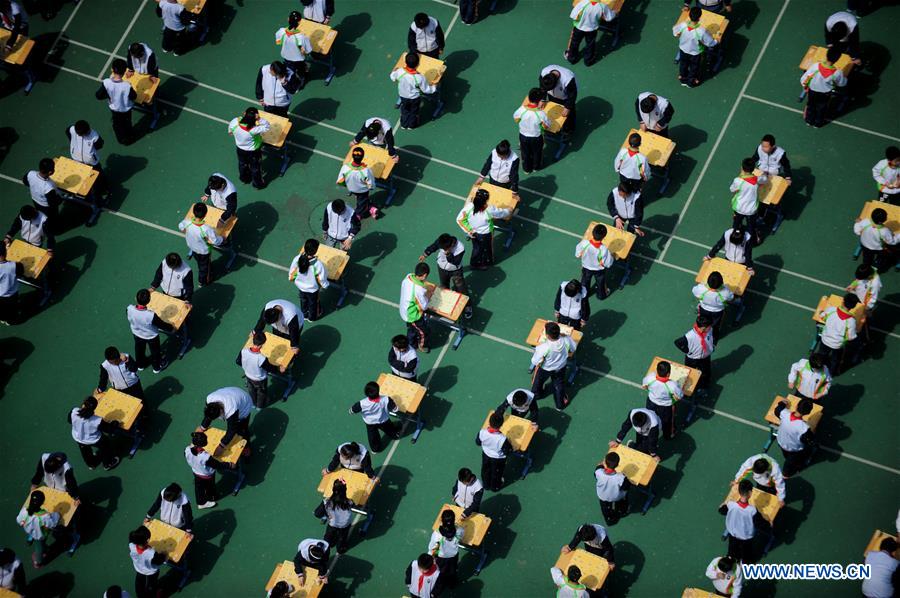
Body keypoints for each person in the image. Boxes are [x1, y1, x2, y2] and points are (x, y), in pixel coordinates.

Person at [419, 232, 472, 318]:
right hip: (442, 268)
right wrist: (425, 254)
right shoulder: (442, 241)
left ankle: (468, 307)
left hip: (456, 271)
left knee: (461, 289)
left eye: (444, 249)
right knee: (444, 287)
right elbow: (434, 246)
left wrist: (448, 254)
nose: (442, 249)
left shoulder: (460, 248)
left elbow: (455, 262)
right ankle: (445, 307)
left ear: (451, 246)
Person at [456, 188, 511, 271]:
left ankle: (475, 263)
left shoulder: (469, 206)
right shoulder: (489, 209)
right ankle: (486, 262)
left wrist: (469, 231)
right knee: (487, 248)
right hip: (486, 234)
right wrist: (509, 210)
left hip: (474, 233)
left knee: (476, 248)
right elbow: (502, 213)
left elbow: (459, 219)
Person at [530, 321, 576, 410]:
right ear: (559, 332)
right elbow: (573, 348)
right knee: (559, 385)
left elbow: (535, 361)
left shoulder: (543, 347)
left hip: (545, 369)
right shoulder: (567, 339)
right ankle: (560, 405)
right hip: (561, 367)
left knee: (538, 382)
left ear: (547, 335)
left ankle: (537, 395)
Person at [127, 288, 174, 373]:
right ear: (149, 301)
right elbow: (162, 325)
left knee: (139, 349)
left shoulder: (129, 309)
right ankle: (157, 367)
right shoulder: (150, 315)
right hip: (151, 336)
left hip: (136, 333)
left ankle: (140, 365)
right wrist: (171, 327)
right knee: (155, 352)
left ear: (135, 298)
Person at [718, 479, 765, 563]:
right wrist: (769, 522)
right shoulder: (752, 510)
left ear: (739, 491)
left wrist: (721, 506)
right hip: (746, 537)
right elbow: (760, 522)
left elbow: (721, 510)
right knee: (747, 553)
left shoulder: (730, 504)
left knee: (732, 550)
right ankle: (746, 563)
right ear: (750, 493)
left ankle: (731, 559)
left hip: (733, 534)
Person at [178, 203, 224, 287]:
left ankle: (202, 274)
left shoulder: (187, 222)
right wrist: (222, 238)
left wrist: (187, 232)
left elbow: (180, 226)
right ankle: (203, 281)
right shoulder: (206, 229)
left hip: (192, 247)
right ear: (205, 214)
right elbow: (215, 241)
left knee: (200, 262)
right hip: (204, 252)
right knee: (204, 268)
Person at [68, 396, 121, 471]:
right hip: (93, 439)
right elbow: (109, 429)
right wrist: (115, 423)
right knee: (106, 446)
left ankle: (92, 464)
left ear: (83, 405)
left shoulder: (74, 411)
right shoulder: (96, 420)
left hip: (78, 437)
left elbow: (69, 421)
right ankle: (108, 463)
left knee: (85, 451)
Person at [800, 46, 847, 128]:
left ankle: (809, 120)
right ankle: (818, 123)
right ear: (838, 59)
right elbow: (842, 83)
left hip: (812, 91)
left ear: (826, 55)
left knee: (810, 105)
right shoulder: (837, 73)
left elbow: (804, 78)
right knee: (821, 108)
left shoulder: (815, 66)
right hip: (824, 94)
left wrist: (805, 86)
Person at [199, 387, 253, 456]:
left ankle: (246, 447)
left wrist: (221, 446)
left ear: (221, 410)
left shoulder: (230, 409)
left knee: (242, 429)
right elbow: (209, 416)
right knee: (235, 430)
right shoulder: (209, 399)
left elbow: (231, 430)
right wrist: (202, 428)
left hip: (244, 405)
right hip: (233, 394)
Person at [390, 52, 438, 130]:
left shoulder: (400, 72)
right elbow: (426, 90)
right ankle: (412, 126)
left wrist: (394, 70)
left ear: (405, 62)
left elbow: (392, 77)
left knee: (404, 110)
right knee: (414, 112)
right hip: (414, 98)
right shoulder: (420, 77)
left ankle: (403, 125)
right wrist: (434, 87)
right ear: (418, 64)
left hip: (403, 96)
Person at [349, 381, 401, 453]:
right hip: (383, 420)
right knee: (390, 429)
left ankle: (375, 449)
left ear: (366, 393)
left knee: (372, 436)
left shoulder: (361, 403)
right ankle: (395, 435)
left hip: (370, 423)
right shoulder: (386, 399)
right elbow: (395, 409)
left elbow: (352, 411)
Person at [236, 332, 284, 409]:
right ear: (262, 344)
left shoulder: (243, 351)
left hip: (248, 375)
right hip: (259, 380)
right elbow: (271, 369)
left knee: (251, 389)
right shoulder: (261, 358)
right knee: (261, 393)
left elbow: (238, 361)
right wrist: (280, 368)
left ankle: (253, 402)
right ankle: (260, 405)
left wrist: (248, 367)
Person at [673, 6, 718, 88]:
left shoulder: (683, 25)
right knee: (694, 67)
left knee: (683, 64)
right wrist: (716, 41)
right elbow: (710, 43)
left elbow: (675, 31)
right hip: (695, 53)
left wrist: (678, 34)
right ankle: (691, 82)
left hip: (683, 50)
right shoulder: (701, 31)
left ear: (689, 15)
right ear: (699, 17)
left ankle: (683, 78)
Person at [95, 59, 137, 145]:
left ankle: (122, 140)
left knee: (117, 126)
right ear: (125, 71)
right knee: (127, 123)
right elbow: (134, 96)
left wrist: (110, 95)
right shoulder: (127, 85)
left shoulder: (106, 83)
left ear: (112, 70)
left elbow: (98, 96)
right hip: (126, 110)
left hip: (115, 110)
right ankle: (130, 136)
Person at [66, 119, 109, 203]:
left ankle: (104, 190)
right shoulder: (72, 130)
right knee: (81, 178)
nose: (88, 132)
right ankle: (85, 193)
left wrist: (90, 155)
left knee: (98, 177)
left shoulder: (95, 136)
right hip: (77, 161)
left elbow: (99, 145)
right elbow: (67, 132)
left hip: (92, 163)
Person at [816, 293, 859, 374]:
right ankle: (831, 373)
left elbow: (822, 317)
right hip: (837, 345)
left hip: (825, 340)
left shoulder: (831, 310)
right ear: (853, 307)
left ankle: (818, 368)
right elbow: (851, 337)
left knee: (821, 354)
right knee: (834, 360)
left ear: (842, 302)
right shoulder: (851, 321)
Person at [184, 431, 230, 509]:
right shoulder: (205, 457)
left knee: (198, 488)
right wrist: (230, 465)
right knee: (210, 487)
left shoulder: (187, 450)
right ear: (203, 443)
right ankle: (212, 497)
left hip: (196, 472)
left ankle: (201, 502)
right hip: (207, 475)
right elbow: (218, 465)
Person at [228, 107, 270, 189]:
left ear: (244, 113)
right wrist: (260, 119)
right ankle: (258, 184)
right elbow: (267, 127)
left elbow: (230, 132)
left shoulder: (235, 121)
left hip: (240, 149)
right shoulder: (254, 130)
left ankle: (245, 179)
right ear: (256, 117)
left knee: (242, 164)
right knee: (255, 168)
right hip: (253, 152)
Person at [16, 490, 60, 568]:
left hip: (31, 531)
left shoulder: (24, 511)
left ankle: (45, 548)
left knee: (41, 544)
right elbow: (53, 523)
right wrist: (57, 514)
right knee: (39, 548)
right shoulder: (44, 516)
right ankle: (38, 562)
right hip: (40, 535)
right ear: (42, 503)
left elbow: (18, 520)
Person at [774, 398, 816, 478]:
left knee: (786, 456)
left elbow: (777, 409)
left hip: (781, 441)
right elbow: (808, 440)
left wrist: (783, 402)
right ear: (808, 413)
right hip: (793, 449)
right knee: (790, 461)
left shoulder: (784, 413)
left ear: (796, 406)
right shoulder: (804, 428)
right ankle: (785, 474)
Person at [289, 239, 330, 321]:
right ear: (315, 251)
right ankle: (312, 318)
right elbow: (321, 279)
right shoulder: (318, 265)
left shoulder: (297, 259)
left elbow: (291, 274)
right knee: (313, 304)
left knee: (303, 301)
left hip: (301, 288)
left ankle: (304, 315)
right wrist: (326, 285)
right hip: (312, 290)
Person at [566, 0, 616, 66]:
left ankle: (572, 58)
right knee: (590, 44)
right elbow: (609, 18)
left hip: (579, 27)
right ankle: (588, 61)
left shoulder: (583, 3)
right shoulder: (602, 6)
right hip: (592, 29)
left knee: (574, 43)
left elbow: (573, 15)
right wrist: (614, 13)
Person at [642, 360, 683, 440]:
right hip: (665, 408)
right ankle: (667, 436)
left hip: (651, 403)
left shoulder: (650, 377)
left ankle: (649, 432)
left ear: (657, 371)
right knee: (666, 423)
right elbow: (679, 396)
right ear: (668, 374)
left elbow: (644, 386)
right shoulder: (672, 385)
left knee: (650, 418)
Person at [513, 88, 551, 174]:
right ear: (539, 101)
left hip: (523, 136)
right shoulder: (541, 114)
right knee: (537, 153)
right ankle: (536, 167)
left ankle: (526, 169)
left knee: (525, 153)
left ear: (528, 98)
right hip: (536, 138)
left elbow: (516, 118)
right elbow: (547, 125)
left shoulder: (522, 109)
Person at [337, 146, 380, 220]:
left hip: (351, 188)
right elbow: (371, 186)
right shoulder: (366, 171)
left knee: (362, 200)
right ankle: (359, 214)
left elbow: (339, 181)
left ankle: (371, 208)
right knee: (361, 203)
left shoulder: (345, 167)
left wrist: (347, 184)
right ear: (362, 157)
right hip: (362, 191)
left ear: (352, 156)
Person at [675, 315, 715, 392]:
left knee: (706, 371)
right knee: (690, 372)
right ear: (704, 327)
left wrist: (712, 346)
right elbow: (677, 342)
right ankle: (690, 388)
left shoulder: (709, 330)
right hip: (692, 358)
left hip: (705, 357)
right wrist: (688, 351)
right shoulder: (690, 336)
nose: (711, 327)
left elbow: (711, 338)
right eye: (709, 326)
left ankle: (705, 385)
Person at [399, 263, 433, 353]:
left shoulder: (409, 276)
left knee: (412, 329)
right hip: (413, 316)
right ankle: (422, 346)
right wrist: (429, 295)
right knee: (423, 332)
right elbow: (424, 306)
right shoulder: (419, 290)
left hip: (405, 310)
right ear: (424, 275)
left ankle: (411, 343)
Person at [314, 479, 354, 554]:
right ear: (345, 490)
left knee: (328, 536)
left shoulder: (327, 502)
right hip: (345, 524)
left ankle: (328, 546)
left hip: (333, 524)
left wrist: (326, 515)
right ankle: (340, 549)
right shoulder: (349, 502)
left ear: (333, 489)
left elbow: (317, 513)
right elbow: (352, 505)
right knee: (342, 537)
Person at [576, 223, 614, 300]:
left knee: (584, 282)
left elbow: (577, 254)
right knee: (601, 283)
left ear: (592, 233)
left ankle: (584, 295)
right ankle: (601, 295)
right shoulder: (604, 249)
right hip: (599, 270)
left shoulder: (584, 243)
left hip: (586, 268)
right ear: (604, 237)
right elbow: (608, 263)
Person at [693, 270, 734, 340]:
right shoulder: (725, 292)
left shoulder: (701, 288)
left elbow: (694, 290)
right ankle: (714, 337)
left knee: (702, 323)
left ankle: (700, 335)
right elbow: (731, 297)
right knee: (715, 325)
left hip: (704, 309)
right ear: (721, 283)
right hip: (717, 312)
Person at [476, 412, 511, 492]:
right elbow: (508, 451)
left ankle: (486, 485)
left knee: (485, 470)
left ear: (489, 422)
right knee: (496, 474)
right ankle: (495, 487)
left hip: (486, 455)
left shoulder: (482, 432)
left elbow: (478, 442)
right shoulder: (502, 439)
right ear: (501, 425)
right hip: (498, 459)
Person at [128, 525, 167, 598]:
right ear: (147, 540)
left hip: (139, 569)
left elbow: (130, 537)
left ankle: (140, 596)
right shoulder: (151, 553)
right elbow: (159, 561)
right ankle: (154, 594)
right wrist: (163, 554)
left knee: (139, 584)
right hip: (151, 572)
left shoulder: (132, 545)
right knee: (152, 584)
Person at [275, 12, 313, 84]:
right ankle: (301, 82)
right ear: (299, 22)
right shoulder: (302, 37)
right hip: (298, 60)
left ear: (288, 19)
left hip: (286, 57)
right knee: (301, 72)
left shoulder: (280, 32)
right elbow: (308, 51)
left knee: (290, 70)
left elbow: (279, 42)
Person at [429, 510, 463, 588]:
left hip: (441, 559)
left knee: (441, 572)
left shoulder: (437, 534)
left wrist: (431, 557)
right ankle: (452, 584)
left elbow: (432, 548)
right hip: (453, 557)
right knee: (452, 571)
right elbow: (461, 536)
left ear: (442, 520)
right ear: (453, 520)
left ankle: (441, 585)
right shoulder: (459, 530)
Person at [540, 65, 577, 136]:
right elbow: (542, 87)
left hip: (565, 97)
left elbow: (572, 95)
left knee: (569, 114)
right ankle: (555, 127)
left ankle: (569, 129)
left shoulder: (568, 79)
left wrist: (568, 107)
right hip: (552, 95)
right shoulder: (544, 72)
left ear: (557, 82)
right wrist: (543, 99)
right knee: (554, 110)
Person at [730, 158, 762, 239]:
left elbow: (732, 189)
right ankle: (749, 239)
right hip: (751, 210)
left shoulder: (738, 180)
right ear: (753, 169)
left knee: (736, 224)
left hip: (739, 208)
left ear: (742, 168)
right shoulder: (758, 179)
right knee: (750, 226)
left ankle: (735, 235)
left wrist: (741, 176)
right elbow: (764, 179)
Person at [22, 158, 62, 224]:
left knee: (42, 215)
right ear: (50, 172)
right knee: (52, 219)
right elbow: (52, 204)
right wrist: (60, 199)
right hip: (47, 207)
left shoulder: (31, 173)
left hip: (35, 201)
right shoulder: (48, 187)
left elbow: (25, 181)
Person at [594, 452, 629, 525]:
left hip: (602, 495)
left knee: (604, 508)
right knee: (624, 496)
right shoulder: (621, 477)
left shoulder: (598, 471)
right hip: (616, 497)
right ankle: (622, 511)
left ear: (605, 464)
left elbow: (598, 469)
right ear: (617, 465)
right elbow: (626, 487)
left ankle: (608, 519)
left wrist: (601, 464)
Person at [0, 244, 23, 325]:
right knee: (12, 310)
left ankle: (2, 319)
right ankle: (11, 321)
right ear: (5, 253)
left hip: (1, 296)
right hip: (12, 294)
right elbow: (20, 273)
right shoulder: (15, 265)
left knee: (2, 310)